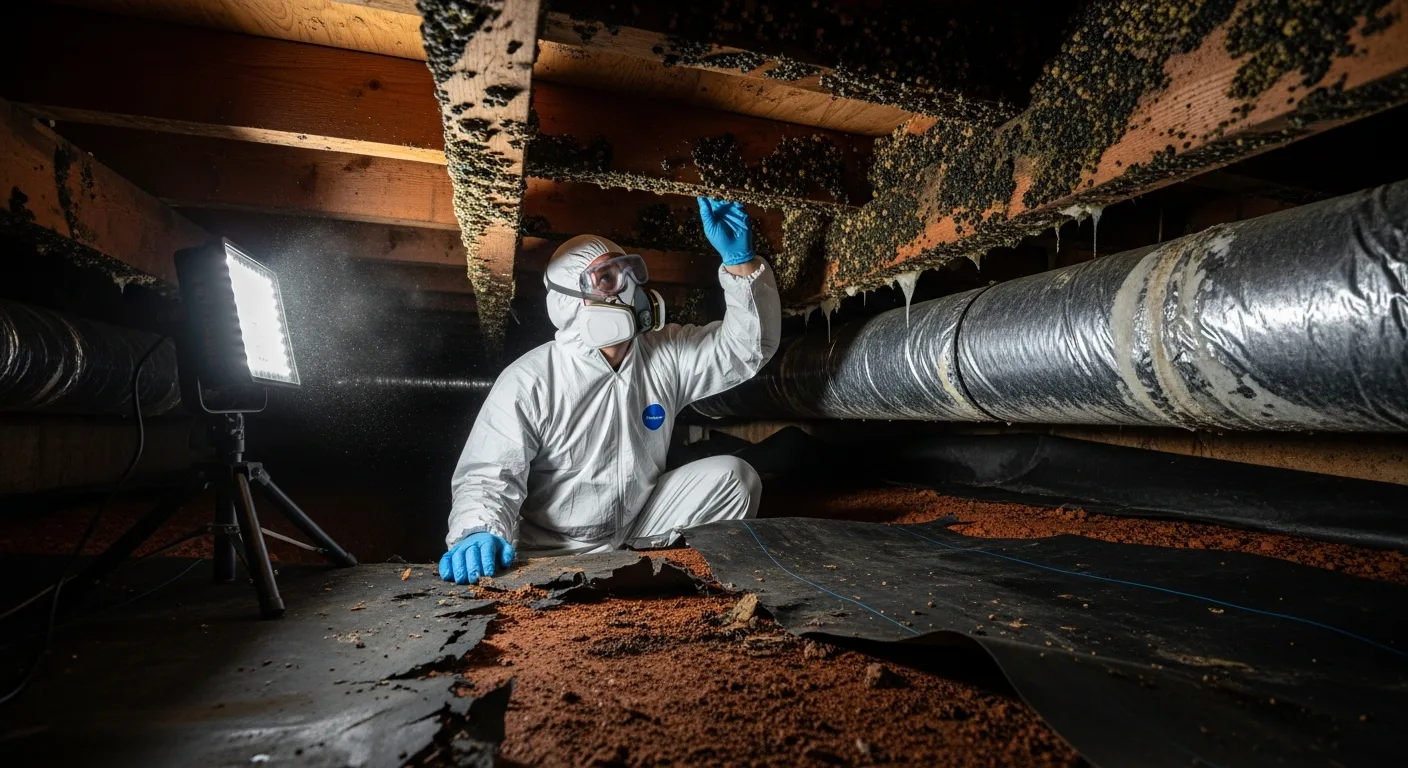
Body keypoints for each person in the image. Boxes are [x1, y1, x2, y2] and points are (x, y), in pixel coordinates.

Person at [439, 197, 782, 584]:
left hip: (639, 526)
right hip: (551, 550)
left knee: (736, 480)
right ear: (570, 301)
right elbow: (488, 474)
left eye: (629, 273)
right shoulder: (532, 379)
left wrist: (741, 264)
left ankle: (677, 584)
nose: (629, 289)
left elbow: (745, 350)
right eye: (607, 278)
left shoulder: (664, 354)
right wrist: (479, 528)